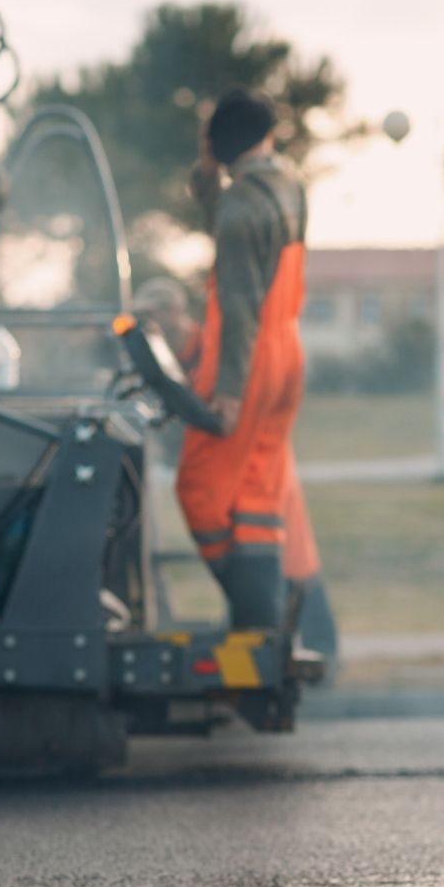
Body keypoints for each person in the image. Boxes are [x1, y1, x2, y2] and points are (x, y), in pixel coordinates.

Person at [140, 274, 339, 663]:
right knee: (247, 557)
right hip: (227, 471)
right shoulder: (168, 361)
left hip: (256, 465)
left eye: (153, 315)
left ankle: (320, 649)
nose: (150, 325)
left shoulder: (211, 351)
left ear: (175, 312)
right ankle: (256, 633)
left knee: (292, 557)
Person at [175, 88, 309, 630]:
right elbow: (232, 231)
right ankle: (271, 612)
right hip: (288, 354)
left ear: (216, 145)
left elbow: (237, 304)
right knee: (255, 492)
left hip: (246, 360)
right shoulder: (290, 185)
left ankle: (258, 613)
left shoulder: (238, 206)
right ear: (267, 135)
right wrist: (210, 176)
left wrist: (229, 392)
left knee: (200, 488)